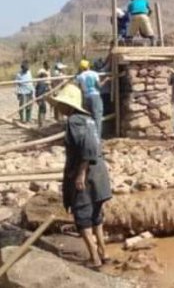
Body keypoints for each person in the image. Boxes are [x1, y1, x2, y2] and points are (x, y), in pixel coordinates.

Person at [52, 84, 112, 269]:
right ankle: (104, 251)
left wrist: (80, 174)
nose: (58, 107)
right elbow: (94, 145)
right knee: (96, 214)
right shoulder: (89, 120)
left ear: (68, 105)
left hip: (86, 174)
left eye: (60, 103)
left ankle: (94, 257)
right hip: (99, 173)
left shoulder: (74, 121)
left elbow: (87, 147)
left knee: (82, 217)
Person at [76, 60, 103, 138]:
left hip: (86, 97)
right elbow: (99, 86)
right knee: (97, 117)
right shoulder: (94, 74)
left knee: (88, 117)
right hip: (95, 96)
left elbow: (78, 87)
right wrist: (106, 80)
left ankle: (88, 136)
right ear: (88, 66)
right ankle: (97, 137)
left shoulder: (80, 76)